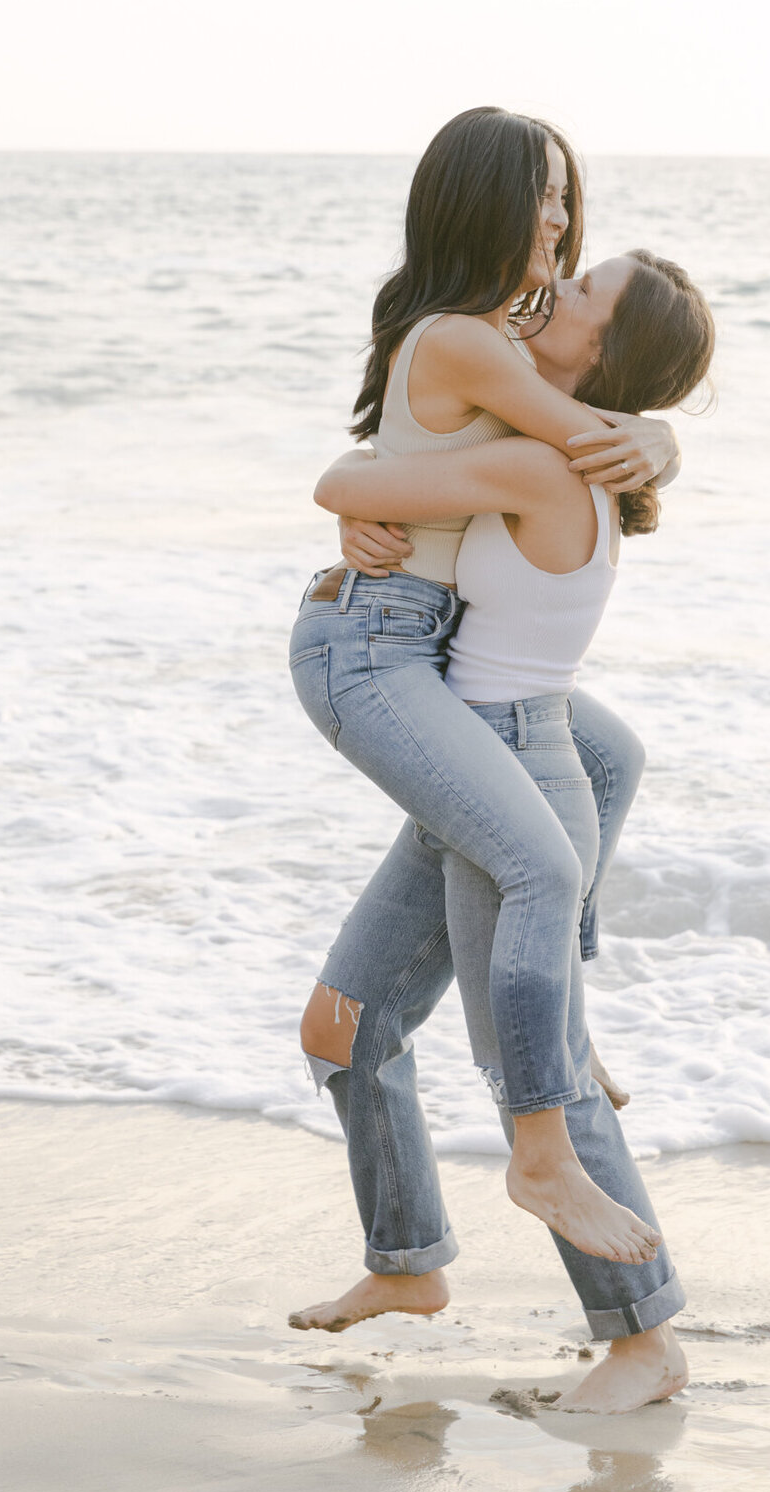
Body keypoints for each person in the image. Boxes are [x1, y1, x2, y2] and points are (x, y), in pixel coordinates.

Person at [291, 250, 715, 1414]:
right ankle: (405, 1264)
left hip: (500, 754)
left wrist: (360, 517)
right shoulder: (562, 446)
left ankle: (644, 1342)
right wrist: (656, 435)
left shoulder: (537, 457)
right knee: (346, 1032)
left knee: (540, 1078)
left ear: (601, 359)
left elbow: (349, 481)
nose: (556, 292)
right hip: (474, 751)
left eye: (584, 297)